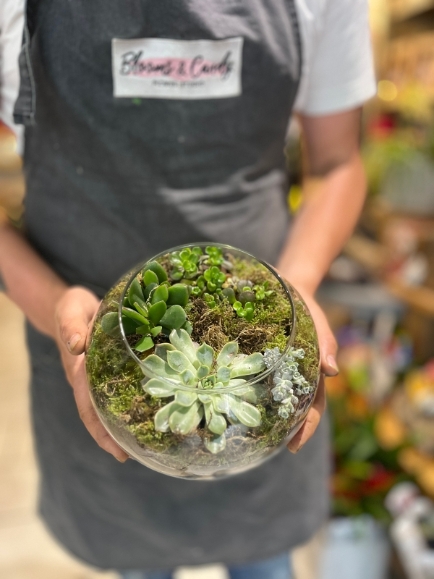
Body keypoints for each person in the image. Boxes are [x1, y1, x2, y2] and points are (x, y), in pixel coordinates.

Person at [0, 0, 376, 577]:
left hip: (260, 348)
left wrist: (295, 287)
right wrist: (55, 304)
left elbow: (336, 162)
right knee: (135, 556)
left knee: (265, 558)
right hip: (99, 355)